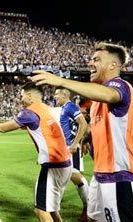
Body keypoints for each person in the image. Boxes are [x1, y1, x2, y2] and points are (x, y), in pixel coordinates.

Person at [31, 42, 133, 221]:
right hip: (101, 176)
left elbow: (109, 94)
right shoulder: (96, 102)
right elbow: (102, 124)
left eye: (96, 60)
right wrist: (87, 136)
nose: (90, 64)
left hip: (121, 177)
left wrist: (60, 81)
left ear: (113, 65)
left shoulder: (119, 85)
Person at [0, 82, 72, 221]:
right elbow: (23, 123)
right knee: (51, 209)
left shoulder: (30, 112)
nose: (20, 99)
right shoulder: (48, 109)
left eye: (21, 96)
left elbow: (4, 128)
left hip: (53, 166)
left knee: (41, 210)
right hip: (65, 164)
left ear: (29, 96)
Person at [54, 88, 89, 221]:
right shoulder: (64, 108)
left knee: (75, 176)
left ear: (64, 96)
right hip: (65, 148)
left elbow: (83, 124)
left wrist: (75, 144)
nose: (55, 96)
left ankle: (89, 205)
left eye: (57, 94)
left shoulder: (70, 107)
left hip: (70, 148)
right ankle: (89, 206)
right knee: (72, 177)